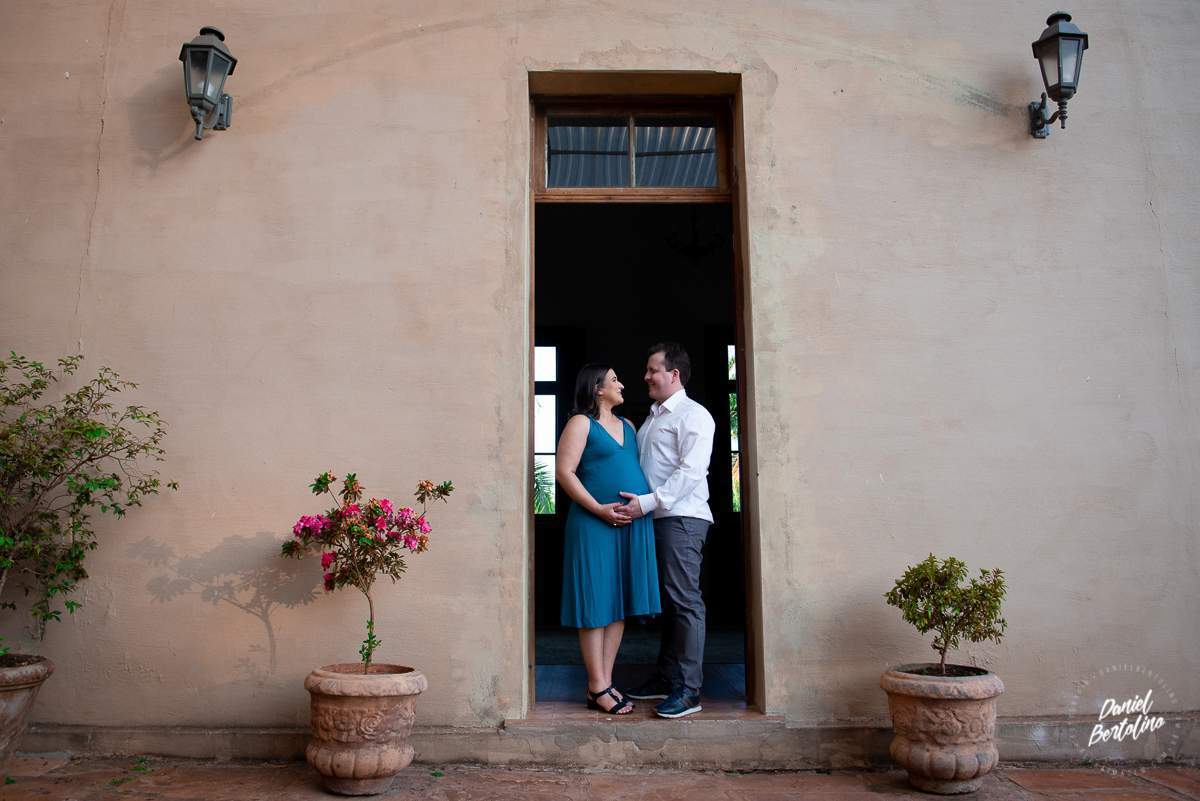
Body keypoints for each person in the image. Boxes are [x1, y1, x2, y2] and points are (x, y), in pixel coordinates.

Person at [617, 343, 715, 719]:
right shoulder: (653, 417)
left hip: (681, 519)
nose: (645, 377)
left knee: (685, 601)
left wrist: (646, 503)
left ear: (674, 374)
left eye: (652, 370)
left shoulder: (694, 415)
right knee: (671, 603)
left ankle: (689, 691)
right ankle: (666, 677)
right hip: (655, 519)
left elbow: (691, 472)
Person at [557, 363, 662, 715]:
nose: (622, 385)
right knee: (595, 603)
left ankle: (604, 683)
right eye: (615, 379)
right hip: (593, 524)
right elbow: (564, 472)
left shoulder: (629, 426)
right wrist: (598, 509)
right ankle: (597, 685)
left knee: (618, 604)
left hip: (630, 524)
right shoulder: (581, 423)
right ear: (597, 388)